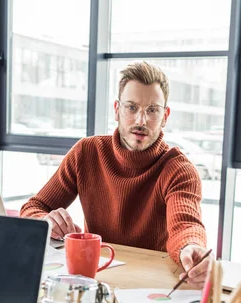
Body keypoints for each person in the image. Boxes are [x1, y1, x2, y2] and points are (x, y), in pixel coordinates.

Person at [20, 61, 211, 287]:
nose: (141, 120)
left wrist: (191, 247)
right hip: (95, 279)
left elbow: (186, 225)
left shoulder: (179, 170)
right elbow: (32, 208)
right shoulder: (86, 153)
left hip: (150, 284)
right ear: (117, 110)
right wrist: (45, 221)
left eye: (152, 110)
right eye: (131, 107)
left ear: (165, 116)